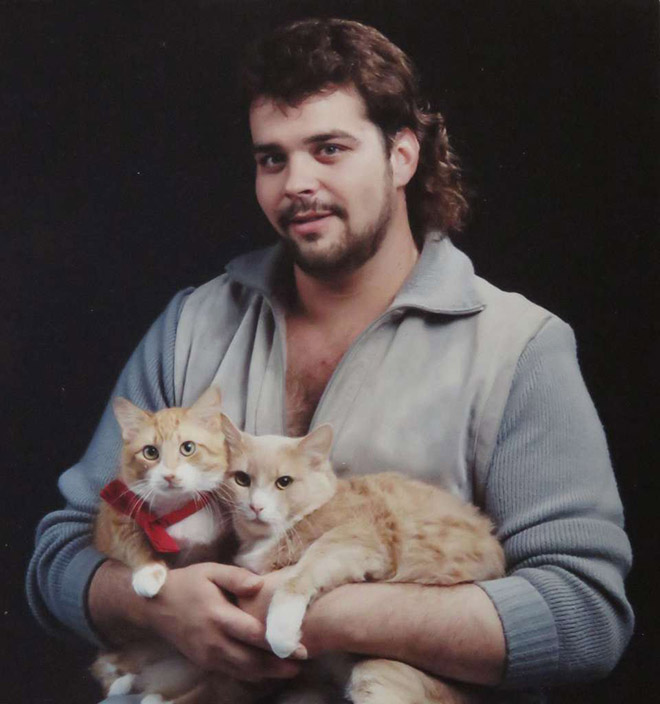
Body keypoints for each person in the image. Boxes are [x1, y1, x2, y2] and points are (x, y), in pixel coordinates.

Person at [27, 18, 633, 703]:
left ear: (402, 155)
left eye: (330, 148)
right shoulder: (192, 325)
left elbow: (585, 614)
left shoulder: (518, 347)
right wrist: (153, 605)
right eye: (272, 158)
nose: (297, 183)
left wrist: (323, 609)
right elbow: (61, 551)